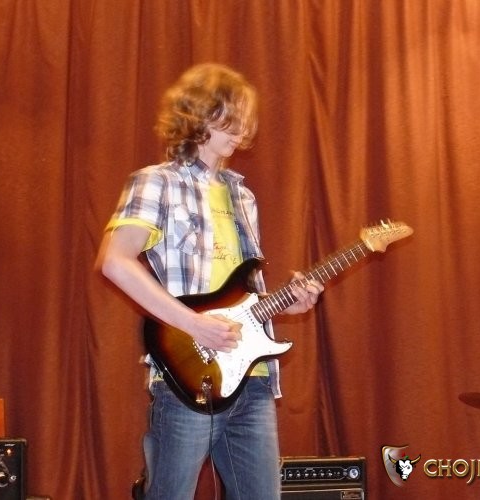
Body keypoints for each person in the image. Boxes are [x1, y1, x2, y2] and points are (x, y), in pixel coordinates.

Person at [96, 63, 324, 500]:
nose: (241, 129)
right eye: (230, 116)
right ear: (197, 114)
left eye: (244, 118)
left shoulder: (243, 196)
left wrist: (286, 302)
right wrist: (195, 325)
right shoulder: (156, 182)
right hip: (189, 376)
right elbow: (115, 262)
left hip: (253, 378)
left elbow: (239, 291)